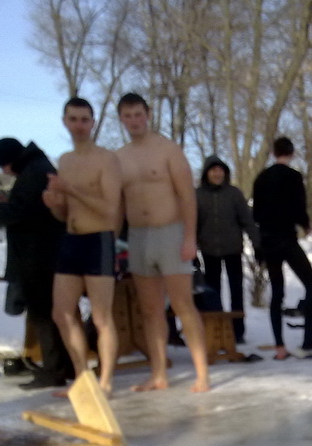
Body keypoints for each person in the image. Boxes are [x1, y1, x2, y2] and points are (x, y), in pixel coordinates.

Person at [115, 92, 210, 393]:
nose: (134, 121)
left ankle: (202, 374)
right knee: (149, 309)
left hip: (171, 232)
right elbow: (118, 204)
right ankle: (158, 374)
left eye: (138, 114)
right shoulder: (119, 157)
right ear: (121, 119)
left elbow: (187, 197)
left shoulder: (168, 150)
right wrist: (113, 240)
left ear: (148, 114)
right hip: (138, 236)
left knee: (183, 304)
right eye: (128, 116)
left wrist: (190, 237)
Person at [42, 97, 122, 394]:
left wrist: (71, 190)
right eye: (73, 119)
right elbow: (65, 213)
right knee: (61, 313)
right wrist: (54, 203)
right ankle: (82, 377)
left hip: (98, 239)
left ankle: (105, 381)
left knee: (101, 317)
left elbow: (110, 209)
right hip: (71, 239)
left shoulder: (106, 159)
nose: (79, 126)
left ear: (93, 123)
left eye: (84, 120)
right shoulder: (65, 160)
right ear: (65, 122)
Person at [0, 137, 73, 390]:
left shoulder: (33, 173)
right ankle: (64, 364)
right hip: (48, 252)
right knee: (55, 313)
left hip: (38, 255)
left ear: (10, 160)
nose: (5, 172)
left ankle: (53, 369)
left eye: (3, 166)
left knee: (43, 313)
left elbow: (24, 212)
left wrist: (0, 209)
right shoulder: (39, 167)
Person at [252, 137, 312, 360]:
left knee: (277, 292)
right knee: (311, 285)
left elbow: (256, 213)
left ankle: (279, 346)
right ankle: (308, 340)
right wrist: (305, 224)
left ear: (273, 152)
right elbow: (298, 206)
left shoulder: (261, 178)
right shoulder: (293, 177)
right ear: (292, 153)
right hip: (286, 238)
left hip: (268, 240)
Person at [195, 155, 260, 344]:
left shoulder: (233, 194)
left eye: (220, 170)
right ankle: (217, 330)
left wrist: (257, 244)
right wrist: (191, 247)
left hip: (233, 249)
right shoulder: (198, 195)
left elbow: (247, 220)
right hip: (209, 250)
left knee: (236, 291)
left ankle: (237, 331)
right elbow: (192, 224)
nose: (217, 174)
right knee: (213, 292)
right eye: (213, 170)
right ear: (206, 173)